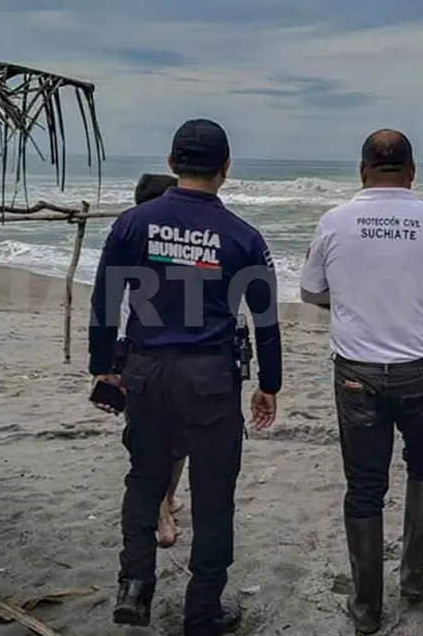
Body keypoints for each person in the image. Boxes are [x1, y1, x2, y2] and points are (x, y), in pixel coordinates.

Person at [88, 118, 282, 634]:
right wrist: (270, 383)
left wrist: (103, 366)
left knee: (146, 477)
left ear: (173, 164)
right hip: (211, 378)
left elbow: (105, 299)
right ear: (225, 170)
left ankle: (135, 587)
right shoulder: (243, 236)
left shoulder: (133, 223)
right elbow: (266, 318)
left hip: (147, 371)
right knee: (215, 493)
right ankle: (202, 611)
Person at [299, 129, 423, 634]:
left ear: (361, 172)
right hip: (422, 368)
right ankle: (414, 575)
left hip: (357, 371)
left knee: (365, 486)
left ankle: (368, 607)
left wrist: (356, 299)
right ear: (412, 172)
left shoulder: (335, 221)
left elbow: (311, 293)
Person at [116, 173, 186, 549]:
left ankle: (168, 498)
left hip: (145, 357)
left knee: (170, 440)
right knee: (158, 441)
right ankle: (160, 507)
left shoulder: (129, 240)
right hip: (148, 356)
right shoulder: (164, 245)